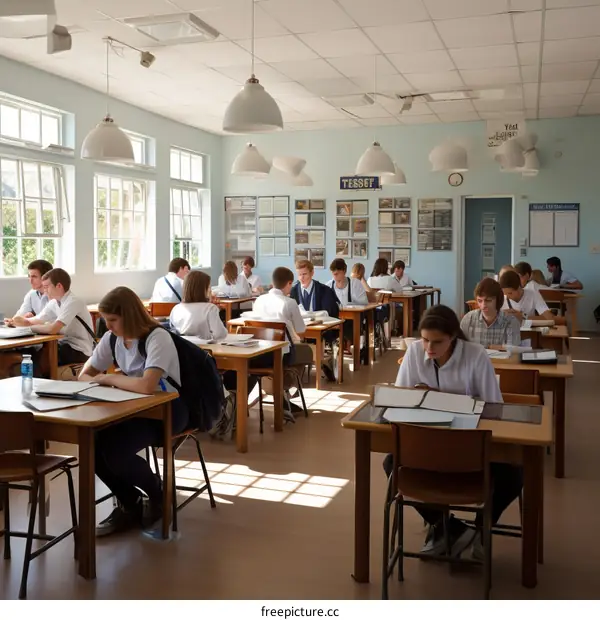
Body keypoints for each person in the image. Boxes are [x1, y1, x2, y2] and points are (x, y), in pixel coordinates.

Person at [386, 305, 521, 560]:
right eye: (425, 339)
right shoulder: (414, 352)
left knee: (514, 474)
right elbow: (399, 398)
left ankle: (482, 528)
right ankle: (447, 526)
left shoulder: (475, 355)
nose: (429, 348)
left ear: (454, 337)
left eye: (437, 342)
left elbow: (495, 407)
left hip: (468, 449)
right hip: (428, 446)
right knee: (392, 463)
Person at [78, 287, 189, 536]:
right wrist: (104, 379)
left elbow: (147, 386)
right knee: (93, 446)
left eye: (113, 320)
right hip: (132, 409)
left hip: (167, 410)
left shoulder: (157, 337)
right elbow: (83, 375)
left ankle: (158, 493)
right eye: (106, 320)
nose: (108, 326)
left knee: (116, 451)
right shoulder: (112, 339)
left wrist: (109, 380)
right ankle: (131, 502)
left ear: (129, 315)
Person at [11, 268, 94, 365]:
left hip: (79, 349)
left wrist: (28, 328)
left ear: (59, 286)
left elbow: (53, 329)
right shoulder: (54, 302)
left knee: (41, 356)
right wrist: (16, 321)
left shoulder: (73, 302)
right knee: (31, 350)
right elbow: (35, 320)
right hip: (63, 344)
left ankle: (41, 378)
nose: (45, 292)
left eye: (46, 287)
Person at [291, 259, 340, 382]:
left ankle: (322, 362)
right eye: (299, 274)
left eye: (305, 274)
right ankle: (296, 370)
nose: (302, 278)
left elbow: (330, 312)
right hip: (301, 327)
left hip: (319, 327)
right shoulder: (294, 290)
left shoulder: (324, 290)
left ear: (312, 273)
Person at [460, 278, 521, 347]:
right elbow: (460, 349)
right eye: (480, 301)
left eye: (488, 300)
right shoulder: (468, 319)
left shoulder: (511, 322)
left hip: (501, 358)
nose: (483, 306)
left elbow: (513, 354)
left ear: (498, 300)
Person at [169, 270, 227, 341]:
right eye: (209, 287)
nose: (210, 290)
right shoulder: (210, 308)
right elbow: (220, 334)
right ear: (201, 289)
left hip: (181, 349)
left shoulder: (176, 308)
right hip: (205, 349)